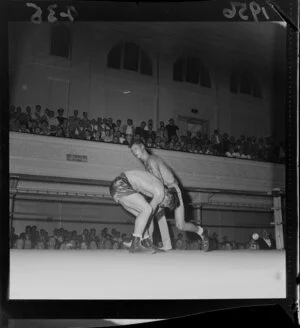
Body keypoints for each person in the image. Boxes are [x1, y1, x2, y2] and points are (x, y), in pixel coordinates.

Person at [130, 140, 210, 251]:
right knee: (152, 214)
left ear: (142, 147)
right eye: (132, 151)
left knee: (179, 225)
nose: (133, 152)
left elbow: (158, 184)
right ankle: (150, 242)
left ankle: (201, 232)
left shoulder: (151, 161)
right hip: (167, 191)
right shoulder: (148, 162)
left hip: (172, 191)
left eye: (135, 149)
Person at [109, 170, 179, 253]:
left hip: (118, 187)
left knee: (142, 214)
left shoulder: (155, 187)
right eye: (166, 203)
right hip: (122, 185)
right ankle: (135, 244)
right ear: (169, 195)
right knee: (147, 210)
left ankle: (146, 243)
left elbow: (146, 218)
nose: (162, 205)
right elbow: (150, 215)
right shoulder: (160, 192)